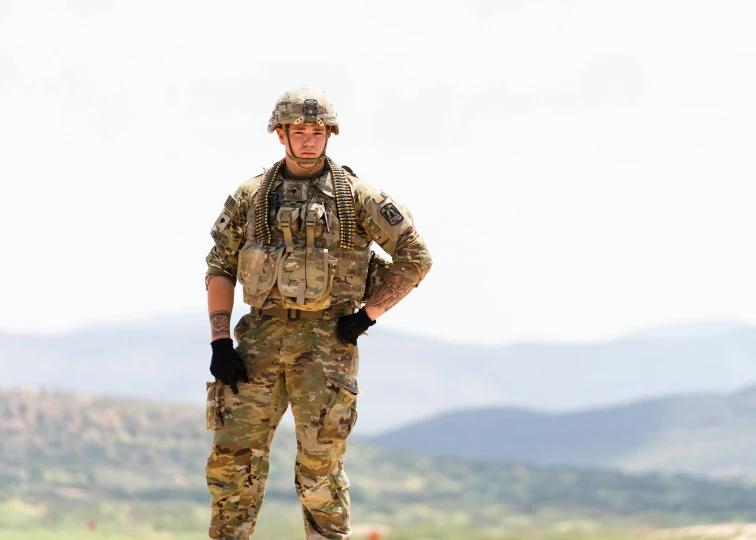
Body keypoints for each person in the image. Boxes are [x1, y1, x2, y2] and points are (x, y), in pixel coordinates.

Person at [203, 85, 432, 540]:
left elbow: (415, 256)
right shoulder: (251, 197)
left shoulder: (357, 198)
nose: (309, 139)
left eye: (318, 131)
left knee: (319, 473)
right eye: (299, 131)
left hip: (327, 347)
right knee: (232, 469)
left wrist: (368, 315)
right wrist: (220, 340)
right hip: (257, 347)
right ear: (281, 134)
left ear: (330, 135)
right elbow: (220, 265)